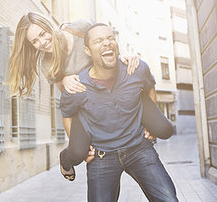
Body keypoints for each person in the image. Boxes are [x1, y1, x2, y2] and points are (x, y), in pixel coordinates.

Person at [9, 12, 173, 180]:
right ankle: (65, 160)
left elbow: (106, 42)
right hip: (89, 105)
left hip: (119, 92)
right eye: (34, 41)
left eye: (42, 34)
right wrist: (64, 80)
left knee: (165, 129)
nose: (42, 43)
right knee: (78, 153)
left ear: (49, 25)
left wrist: (124, 55)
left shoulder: (80, 28)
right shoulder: (47, 63)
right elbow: (68, 102)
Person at [60, 23, 178, 202]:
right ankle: (66, 158)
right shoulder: (78, 86)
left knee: (169, 199)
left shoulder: (136, 69)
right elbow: (67, 113)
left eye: (110, 38)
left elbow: (149, 88)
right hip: (101, 156)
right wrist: (78, 148)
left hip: (139, 148)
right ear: (87, 51)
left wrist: (150, 125)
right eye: (99, 40)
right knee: (76, 152)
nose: (106, 43)